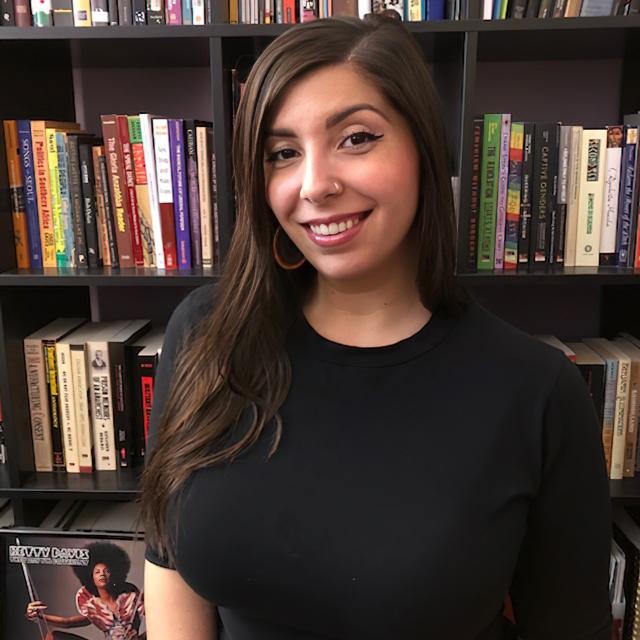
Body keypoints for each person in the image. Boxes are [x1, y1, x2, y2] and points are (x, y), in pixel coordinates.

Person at [140, 15, 612, 640]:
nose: (315, 185)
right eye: (283, 153)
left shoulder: (537, 392)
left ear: (423, 148)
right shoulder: (206, 334)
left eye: (356, 138)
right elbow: (168, 563)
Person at [26, 542, 145, 640]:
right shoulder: (94, 606)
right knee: (52, 637)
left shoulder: (131, 596)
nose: (102, 574)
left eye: (106, 571)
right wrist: (40, 616)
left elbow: (160, 624)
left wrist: (140, 638)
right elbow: (68, 622)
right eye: (97, 572)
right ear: (90, 578)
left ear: (114, 574)